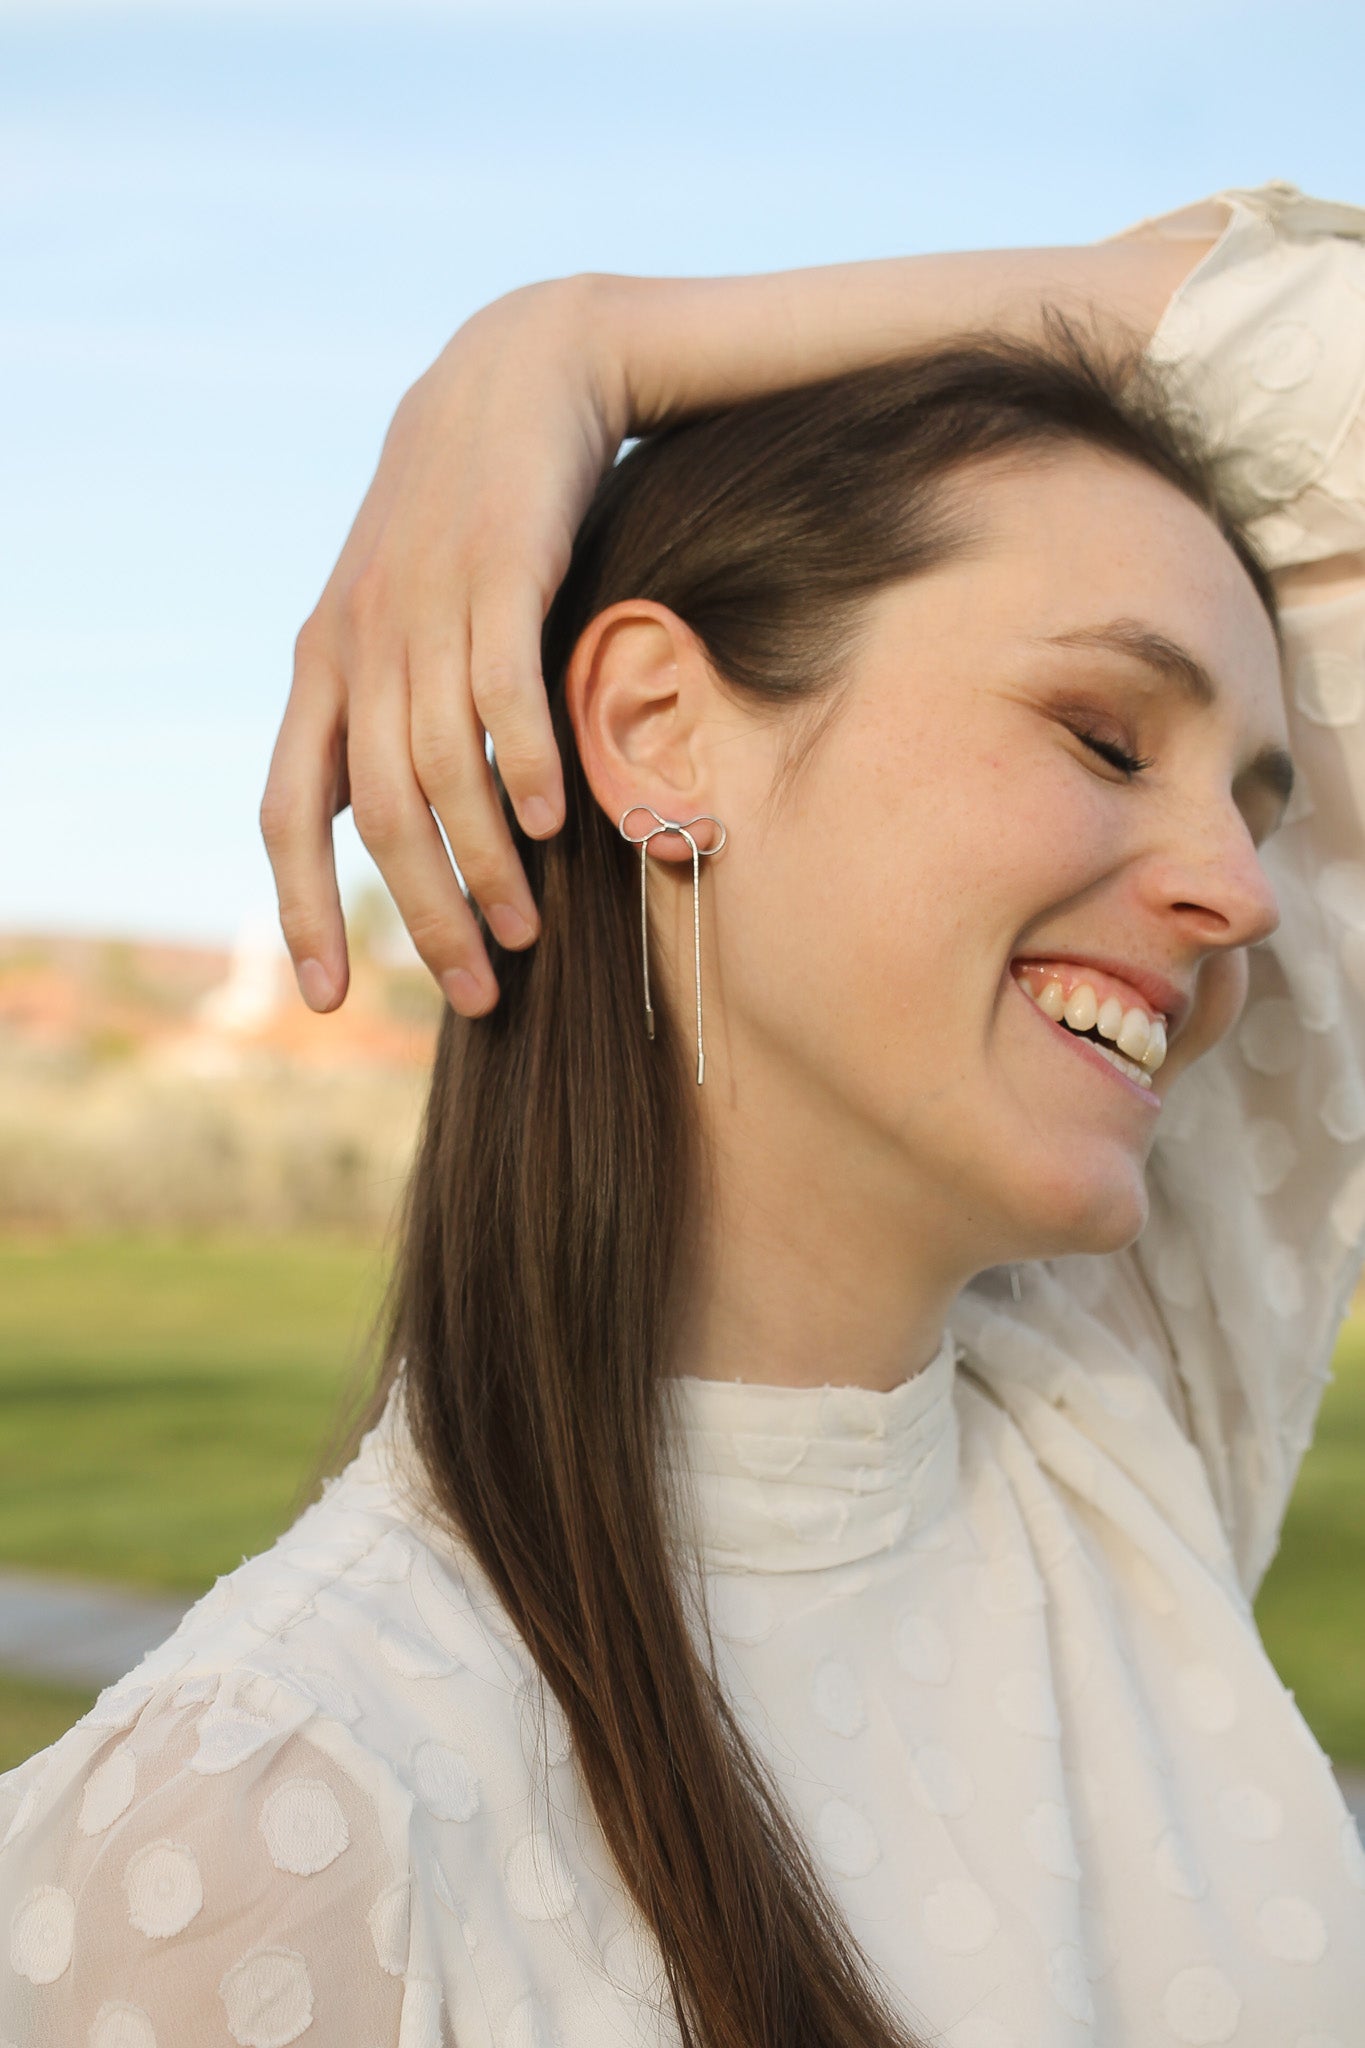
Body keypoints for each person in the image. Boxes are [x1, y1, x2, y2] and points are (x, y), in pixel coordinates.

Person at [3, 182, 1364, 2048]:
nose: (1242, 894)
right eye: (1108, 738)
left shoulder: (1111, 1435)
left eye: (1259, 805)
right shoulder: (257, 1837)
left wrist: (590, 335)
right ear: (654, 729)